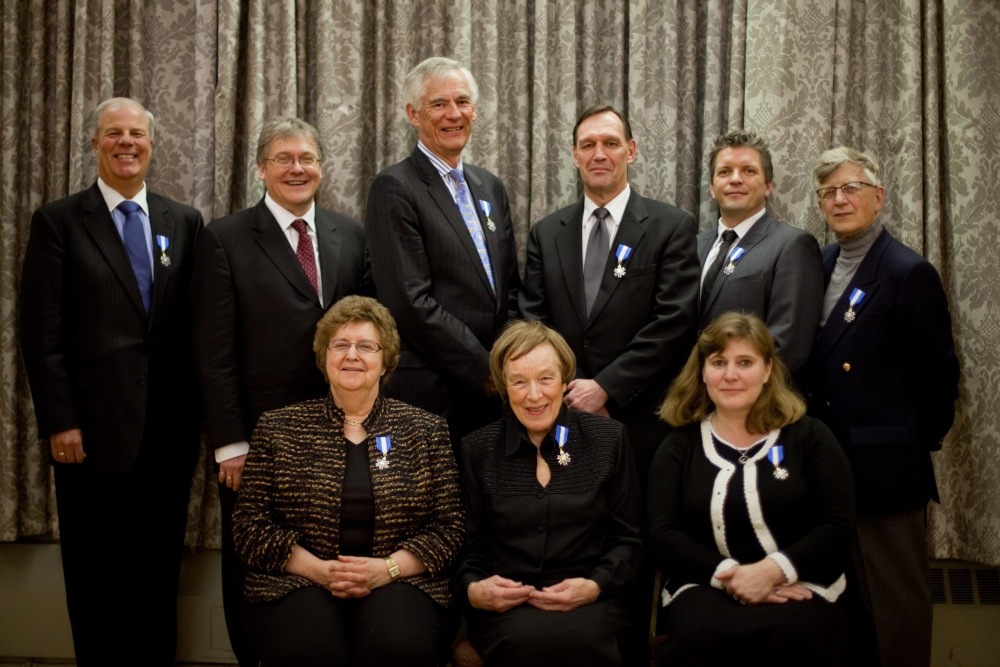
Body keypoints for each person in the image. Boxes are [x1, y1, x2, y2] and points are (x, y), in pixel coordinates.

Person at [18, 97, 202, 666]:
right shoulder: (59, 222)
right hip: (89, 437)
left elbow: (194, 329)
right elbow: (40, 334)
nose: (127, 143)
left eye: (137, 134)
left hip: (168, 437)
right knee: (96, 579)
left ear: (151, 144)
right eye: (114, 133)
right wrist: (61, 420)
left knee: (157, 576)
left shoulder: (183, 222)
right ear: (95, 143)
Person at [192, 115, 370, 666]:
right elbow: (212, 352)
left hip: (336, 432)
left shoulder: (350, 233)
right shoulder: (223, 238)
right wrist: (229, 442)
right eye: (284, 159)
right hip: (256, 442)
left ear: (322, 167)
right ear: (262, 169)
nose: (298, 169)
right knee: (252, 561)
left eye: (308, 158)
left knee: (326, 556)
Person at [233, 295, 464, 666]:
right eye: (340, 344)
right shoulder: (278, 427)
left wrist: (386, 569)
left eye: (366, 346)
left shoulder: (426, 430)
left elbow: (449, 529)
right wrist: (319, 571)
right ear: (324, 357)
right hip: (296, 581)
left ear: (386, 358)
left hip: (401, 581)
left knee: (397, 648)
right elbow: (250, 528)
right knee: (310, 652)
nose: (352, 355)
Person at [806, 147, 959, 667]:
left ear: (879, 196)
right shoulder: (821, 262)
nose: (839, 200)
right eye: (828, 192)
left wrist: (906, 443)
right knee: (844, 609)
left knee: (896, 610)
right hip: (828, 465)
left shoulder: (906, 271)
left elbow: (939, 382)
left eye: (850, 188)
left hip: (887, 472)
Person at [647, 312, 854, 667]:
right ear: (702, 371)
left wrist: (772, 571)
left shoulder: (811, 436)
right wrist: (732, 576)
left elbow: (837, 525)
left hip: (800, 584)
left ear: (768, 370)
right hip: (704, 585)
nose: (730, 375)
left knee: (798, 635)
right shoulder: (678, 445)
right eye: (718, 362)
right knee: (700, 633)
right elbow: (662, 532)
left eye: (745, 362)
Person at [518, 104, 699, 489]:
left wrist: (606, 388)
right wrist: (573, 388)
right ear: (574, 155)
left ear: (630, 151)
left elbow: (674, 321)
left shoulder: (671, 226)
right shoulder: (547, 232)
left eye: (611, 143)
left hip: (641, 420)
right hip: (561, 413)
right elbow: (533, 321)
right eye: (588, 145)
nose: (599, 154)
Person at [455, 320, 642, 666]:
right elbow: (470, 549)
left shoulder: (609, 439)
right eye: (519, 382)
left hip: (594, 603)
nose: (535, 395)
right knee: (529, 644)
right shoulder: (478, 449)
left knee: (585, 642)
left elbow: (628, 539)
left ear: (564, 379)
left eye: (545, 378)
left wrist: (596, 585)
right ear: (502, 386)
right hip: (509, 612)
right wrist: (475, 590)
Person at [365, 56, 520, 448]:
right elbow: (408, 300)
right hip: (432, 394)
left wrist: (509, 363)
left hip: (497, 395)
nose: (454, 114)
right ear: (413, 114)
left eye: (463, 102)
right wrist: (483, 368)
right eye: (439, 104)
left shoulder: (490, 187)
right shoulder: (394, 187)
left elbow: (509, 288)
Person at [699, 130, 824, 380]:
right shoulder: (693, 246)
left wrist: (730, 391)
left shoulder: (792, 245)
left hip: (753, 407)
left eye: (749, 171)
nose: (735, 179)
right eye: (725, 172)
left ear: (768, 186)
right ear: (712, 188)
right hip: (689, 406)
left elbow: (788, 347)